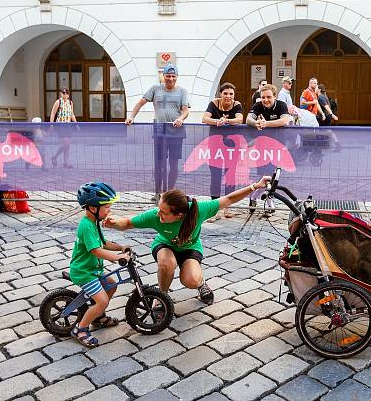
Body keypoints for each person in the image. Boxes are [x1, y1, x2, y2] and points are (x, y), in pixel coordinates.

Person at [105, 176, 272, 305]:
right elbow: (127, 223)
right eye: (159, 209)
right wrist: (113, 223)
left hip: (190, 248)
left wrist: (255, 186)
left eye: (163, 212)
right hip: (165, 245)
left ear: (179, 215)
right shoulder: (155, 216)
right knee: (166, 264)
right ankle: (161, 298)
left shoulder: (198, 210)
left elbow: (228, 199)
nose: (158, 214)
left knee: (190, 280)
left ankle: (201, 284)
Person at [69, 182, 131, 347]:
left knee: (111, 285)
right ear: (92, 208)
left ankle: (97, 317)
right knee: (102, 300)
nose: (109, 210)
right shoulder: (86, 226)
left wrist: (120, 247)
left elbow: (104, 244)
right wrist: (117, 257)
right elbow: (96, 251)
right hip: (84, 272)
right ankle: (80, 329)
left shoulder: (94, 223)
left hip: (94, 270)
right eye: (106, 207)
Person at [126, 64, 189, 201]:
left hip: (176, 131)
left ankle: (169, 192)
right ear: (163, 76)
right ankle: (157, 192)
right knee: (159, 163)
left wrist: (180, 118)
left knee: (173, 164)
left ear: (176, 77)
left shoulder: (182, 91)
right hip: (159, 130)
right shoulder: (155, 89)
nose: (170, 79)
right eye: (168, 76)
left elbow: (185, 110)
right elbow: (140, 103)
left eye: (173, 76)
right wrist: (131, 116)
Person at [247, 83, 292, 214]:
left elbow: (284, 121)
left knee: (275, 175)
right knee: (262, 175)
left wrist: (266, 124)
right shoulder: (258, 105)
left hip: (278, 146)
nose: (265, 100)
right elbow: (248, 119)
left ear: (275, 97)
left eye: (268, 97)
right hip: (262, 146)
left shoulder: (282, 105)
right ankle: (258, 199)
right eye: (263, 97)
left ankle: (263, 199)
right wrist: (255, 123)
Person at [201, 82, 244, 219]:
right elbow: (204, 118)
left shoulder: (236, 104)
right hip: (215, 144)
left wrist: (226, 121)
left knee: (230, 175)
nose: (228, 96)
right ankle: (215, 209)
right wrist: (216, 122)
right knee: (215, 175)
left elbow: (240, 118)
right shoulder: (214, 103)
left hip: (232, 144)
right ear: (220, 94)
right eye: (225, 93)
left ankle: (227, 207)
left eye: (231, 94)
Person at [49, 88, 77, 168]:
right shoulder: (58, 102)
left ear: (68, 94)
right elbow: (53, 113)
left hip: (68, 125)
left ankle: (66, 162)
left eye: (66, 93)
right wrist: (51, 124)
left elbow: (72, 114)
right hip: (60, 125)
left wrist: (76, 123)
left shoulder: (70, 103)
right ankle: (55, 157)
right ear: (61, 93)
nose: (65, 94)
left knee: (67, 145)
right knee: (65, 142)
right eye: (63, 93)